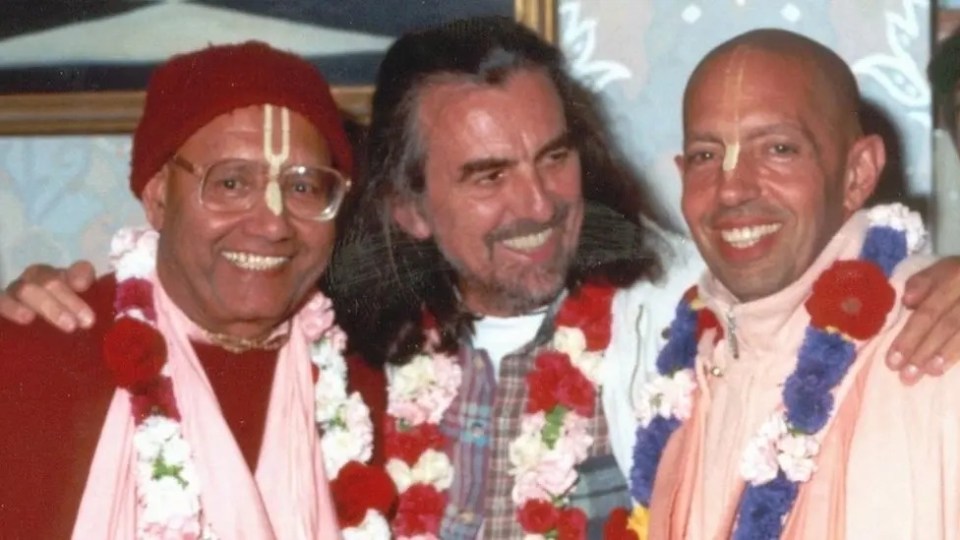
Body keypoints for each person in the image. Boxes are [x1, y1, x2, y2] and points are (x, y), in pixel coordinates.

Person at [5, 17, 960, 539]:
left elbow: (808, 295)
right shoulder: (347, 353)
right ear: (411, 206)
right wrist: (41, 302)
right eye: (487, 176)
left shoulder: (678, 315)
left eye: (553, 157)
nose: (539, 203)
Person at [0, 42, 395, 538]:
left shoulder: (370, 387)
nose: (272, 224)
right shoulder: (32, 358)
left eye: (303, 187)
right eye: (230, 183)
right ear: (158, 196)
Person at [637, 29, 960, 538]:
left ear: (857, 173)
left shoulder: (939, 340)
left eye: (779, 149)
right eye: (705, 155)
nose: (733, 187)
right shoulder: (690, 361)